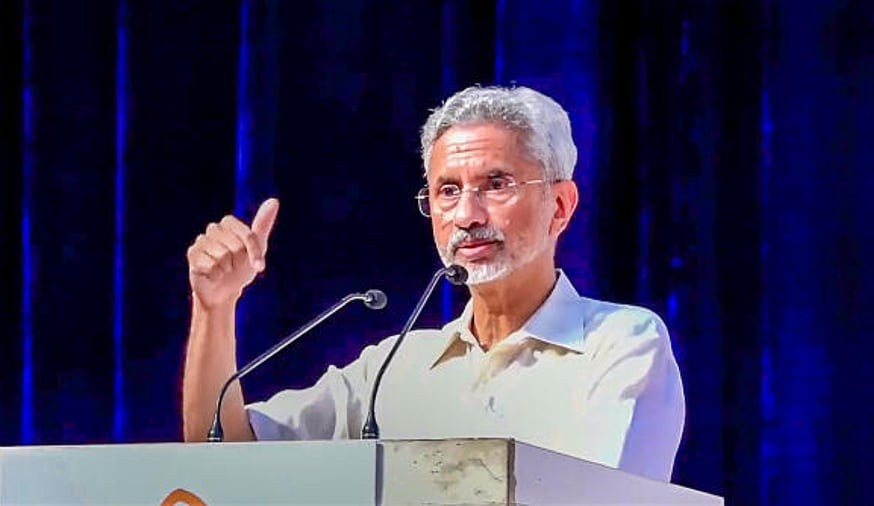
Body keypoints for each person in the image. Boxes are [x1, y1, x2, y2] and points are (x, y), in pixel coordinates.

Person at [182, 85, 685, 482]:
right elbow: (222, 458)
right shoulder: (392, 367)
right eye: (448, 190)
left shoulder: (620, 344)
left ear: (560, 206)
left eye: (496, 185)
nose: (466, 215)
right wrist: (214, 309)